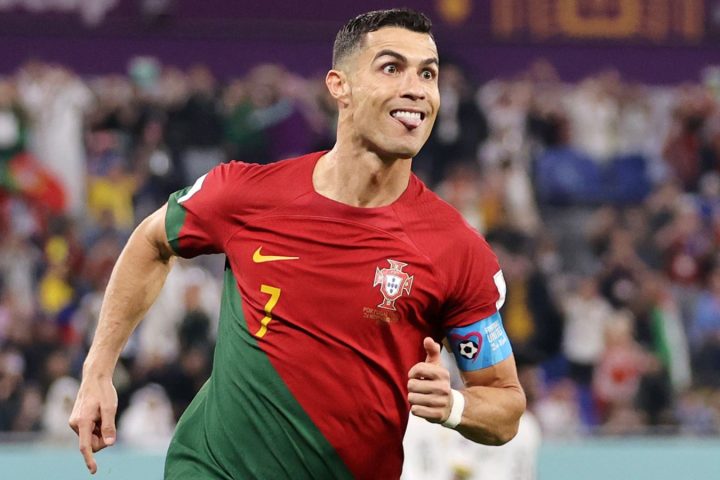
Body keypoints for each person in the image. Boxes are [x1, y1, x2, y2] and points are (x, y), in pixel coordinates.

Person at [69, 9, 526, 479]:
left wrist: (452, 405)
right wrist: (98, 371)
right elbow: (151, 240)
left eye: (428, 74)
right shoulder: (246, 194)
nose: (416, 88)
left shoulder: (456, 249)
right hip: (211, 468)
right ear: (339, 86)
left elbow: (505, 405)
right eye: (392, 68)